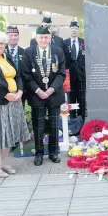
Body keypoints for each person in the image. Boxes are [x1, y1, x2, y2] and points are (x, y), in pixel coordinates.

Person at [0, 31, 30, 177]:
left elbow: (17, 75)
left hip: (12, 101)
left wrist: (20, 91)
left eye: (1, 43)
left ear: (5, 44)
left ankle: (4, 163)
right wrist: (5, 94)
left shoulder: (6, 56)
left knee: (7, 133)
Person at [22, 26, 66, 166]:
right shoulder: (28, 52)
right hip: (36, 95)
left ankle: (54, 152)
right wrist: (38, 91)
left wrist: (52, 89)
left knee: (54, 125)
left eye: (46, 37)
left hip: (54, 94)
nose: (43, 40)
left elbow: (61, 73)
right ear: (36, 38)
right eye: (40, 37)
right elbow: (26, 75)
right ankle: (39, 153)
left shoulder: (58, 51)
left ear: (50, 38)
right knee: (38, 126)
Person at [63, 20, 86, 120]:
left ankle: (81, 120)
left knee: (82, 100)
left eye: (76, 28)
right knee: (71, 100)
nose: (74, 30)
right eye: (72, 28)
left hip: (81, 76)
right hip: (69, 76)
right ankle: (72, 121)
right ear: (69, 29)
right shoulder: (64, 43)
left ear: (78, 30)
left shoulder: (84, 42)